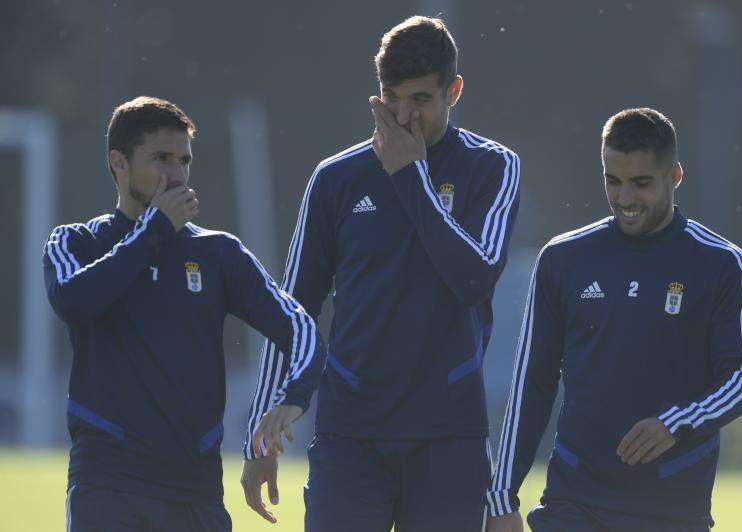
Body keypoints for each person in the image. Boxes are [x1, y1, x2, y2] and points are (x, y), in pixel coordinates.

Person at [240, 16, 521, 532]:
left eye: (421, 99)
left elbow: (474, 280)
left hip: (449, 436)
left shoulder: (494, 167)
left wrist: (410, 175)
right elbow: (292, 311)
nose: (404, 115)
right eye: (392, 97)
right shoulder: (335, 178)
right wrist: (262, 430)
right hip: (351, 435)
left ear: (453, 91)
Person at [44, 96, 325, 531]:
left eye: (184, 160)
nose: (176, 173)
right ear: (119, 163)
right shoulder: (75, 242)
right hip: (107, 488)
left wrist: (293, 397)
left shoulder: (218, 253)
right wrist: (154, 230)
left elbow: (301, 328)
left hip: (196, 495)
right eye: (160, 158)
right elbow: (73, 301)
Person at [486, 108, 742, 532]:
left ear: (675, 176)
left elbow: (739, 378)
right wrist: (501, 494)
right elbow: (532, 384)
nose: (625, 198)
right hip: (573, 505)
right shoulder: (563, 258)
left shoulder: (720, 263)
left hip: (673, 511)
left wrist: (677, 422)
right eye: (613, 181)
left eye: (641, 183)